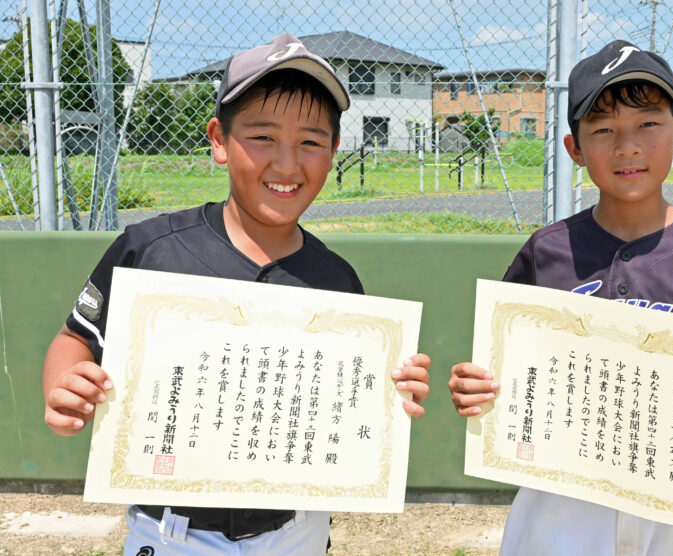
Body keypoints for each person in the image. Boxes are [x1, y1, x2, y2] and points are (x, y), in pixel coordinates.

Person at [42, 33, 431, 556]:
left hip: (297, 529)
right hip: (174, 531)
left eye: (311, 141)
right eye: (263, 137)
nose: (288, 164)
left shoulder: (337, 281)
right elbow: (76, 339)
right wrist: (65, 386)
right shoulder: (151, 250)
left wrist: (391, 391)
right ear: (219, 140)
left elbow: (344, 402)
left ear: (335, 151)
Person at [448, 40, 673, 555]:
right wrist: (477, 389)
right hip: (560, 515)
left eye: (648, 124)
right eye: (604, 129)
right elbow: (506, 376)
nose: (627, 146)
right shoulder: (547, 251)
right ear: (575, 150)